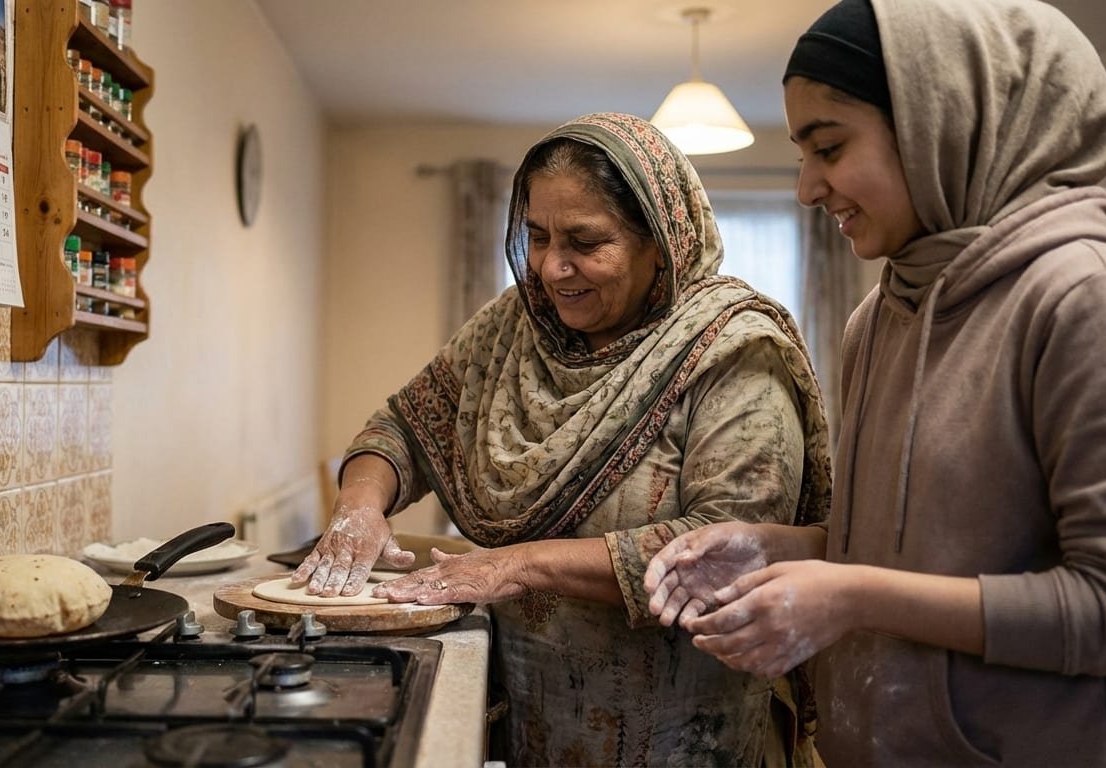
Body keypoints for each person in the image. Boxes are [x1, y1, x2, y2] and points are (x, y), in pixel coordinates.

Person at [643, 0, 1106, 765]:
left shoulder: (1087, 293)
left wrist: (850, 596)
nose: (807, 188)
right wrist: (774, 548)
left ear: (938, 123)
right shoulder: (879, 314)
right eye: (802, 154)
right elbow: (917, 543)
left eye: (829, 147)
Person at [291, 112, 833, 766]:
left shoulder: (734, 353)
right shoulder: (516, 327)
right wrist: (360, 506)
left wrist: (514, 563)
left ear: (661, 243)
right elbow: (404, 424)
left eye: (585, 240)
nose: (552, 267)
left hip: (684, 733)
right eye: (538, 236)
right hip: (528, 718)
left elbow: (731, 547)